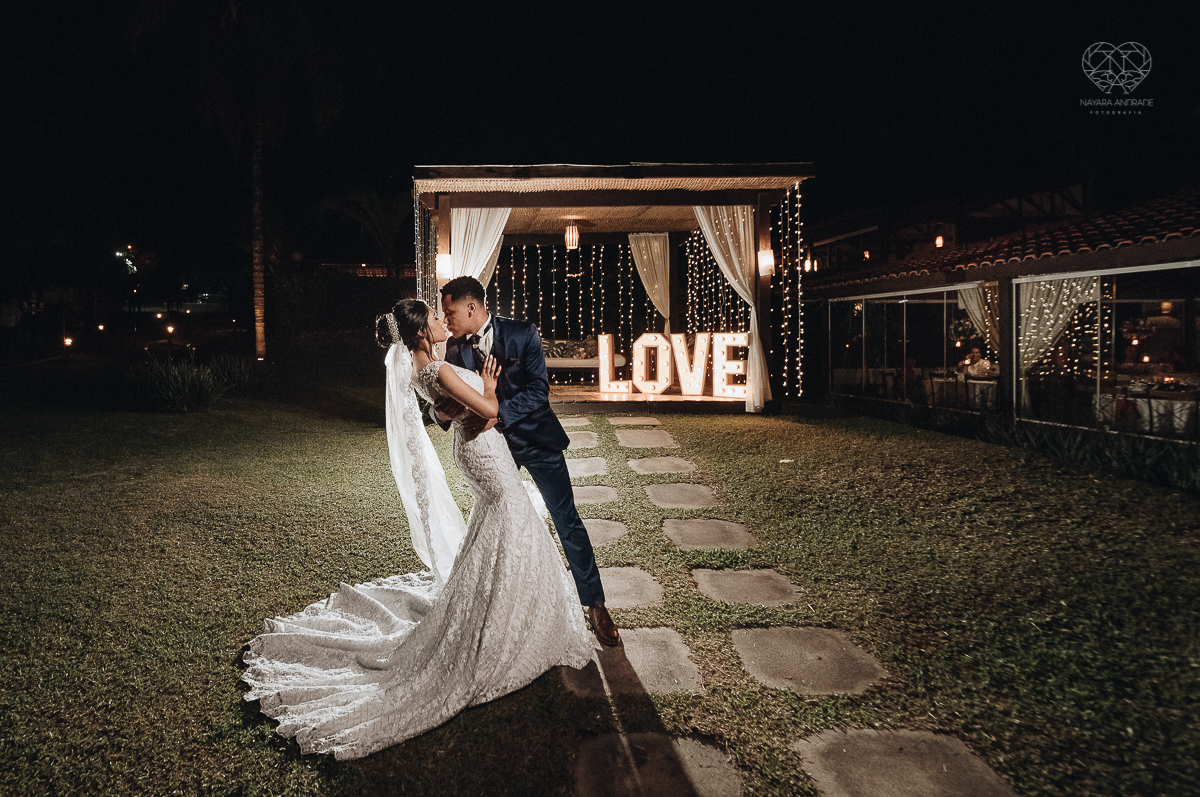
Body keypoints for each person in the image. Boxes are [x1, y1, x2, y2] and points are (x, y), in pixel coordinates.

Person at [241, 299, 594, 760]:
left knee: (501, 529)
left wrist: (467, 409)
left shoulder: (426, 371)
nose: (441, 321)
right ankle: (510, 623)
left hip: (477, 452)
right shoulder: (440, 372)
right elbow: (488, 408)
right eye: (433, 317)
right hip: (486, 455)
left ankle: (509, 605)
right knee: (513, 523)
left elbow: (448, 416)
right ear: (421, 334)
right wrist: (487, 388)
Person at [436, 276, 620, 647]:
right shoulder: (454, 350)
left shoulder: (523, 333)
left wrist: (497, 413)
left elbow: (538, 392)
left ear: (472, 307)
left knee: (566, 520)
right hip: (494, 453)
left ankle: (596, 605)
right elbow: (448, 400)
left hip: (537, 441)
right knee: (498, 524)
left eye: (450, 311)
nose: (446, 319)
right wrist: (441, 412)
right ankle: (505, 611)